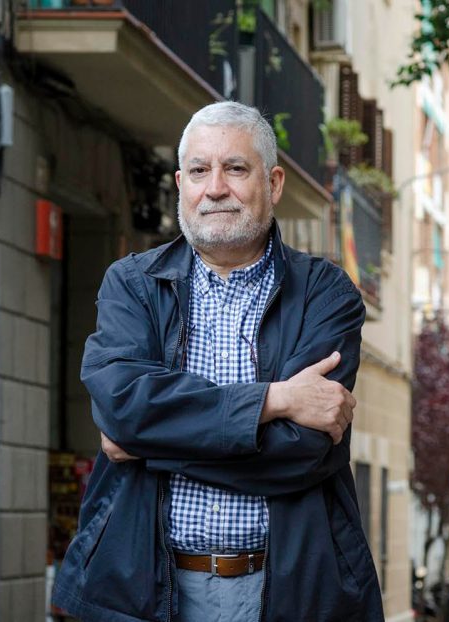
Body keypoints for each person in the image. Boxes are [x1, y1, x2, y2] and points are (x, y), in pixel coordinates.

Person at [51, 101, 383, 621]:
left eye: (235, 168)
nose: (216, 188)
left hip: (288, 595)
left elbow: (303, 448)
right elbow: (122, 405)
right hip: (143, 594)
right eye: (200, 171)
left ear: (272, 183)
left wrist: (146, 441)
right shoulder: (132, 284)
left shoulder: (325, 293)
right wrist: (274, 400)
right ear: (181, 183)